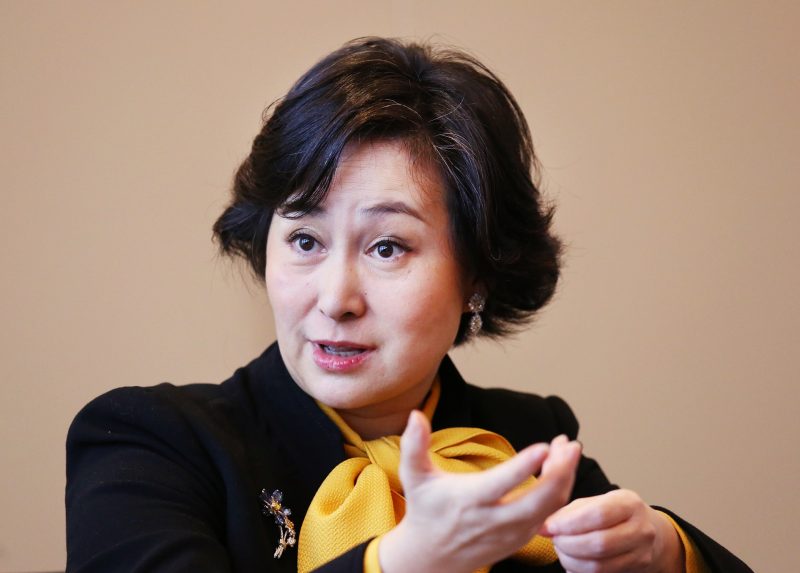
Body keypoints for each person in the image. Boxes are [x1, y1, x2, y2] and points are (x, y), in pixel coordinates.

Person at [65, 37, 753, 573]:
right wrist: (409, 560)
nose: (336, 298)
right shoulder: (150, 440)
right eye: (304, 239)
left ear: (478, 276)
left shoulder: (530, 440)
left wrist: (665, 550)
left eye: (388, 247)